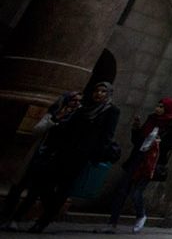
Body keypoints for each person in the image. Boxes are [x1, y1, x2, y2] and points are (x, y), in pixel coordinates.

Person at [29, 82, 120, 233]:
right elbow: (68, 127)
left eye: (103, 91)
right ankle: (52, 209)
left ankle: (43, 221)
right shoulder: (84, 108)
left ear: (109, 94)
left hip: (82, 155)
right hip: (64, 151)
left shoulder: (111, 111)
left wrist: (96, 154)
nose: (99, 94)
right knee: (44, 180)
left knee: (64, 187)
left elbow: (107, 135)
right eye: (97, 91)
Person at [0, 92, 81, 230]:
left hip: (53, 159)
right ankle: (5, 217)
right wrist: (56, 119)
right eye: (73, 100)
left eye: (78, 101)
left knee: (34, 192)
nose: (75, 103)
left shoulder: (77, 119)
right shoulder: (53, 114)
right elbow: (36, 130)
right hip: (37, 155)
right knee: (18, 187)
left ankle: (17, 218)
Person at [108, 98, 172, 233]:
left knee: (136, 192)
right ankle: (111, 223)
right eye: (157, 106)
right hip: (138, 157)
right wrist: (135, 129)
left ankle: (141, 215)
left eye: (161, 107)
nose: (158, 109)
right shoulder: (152, 120)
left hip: (152, 161)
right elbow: (137, 140)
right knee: (122, 189)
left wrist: (160, 142)